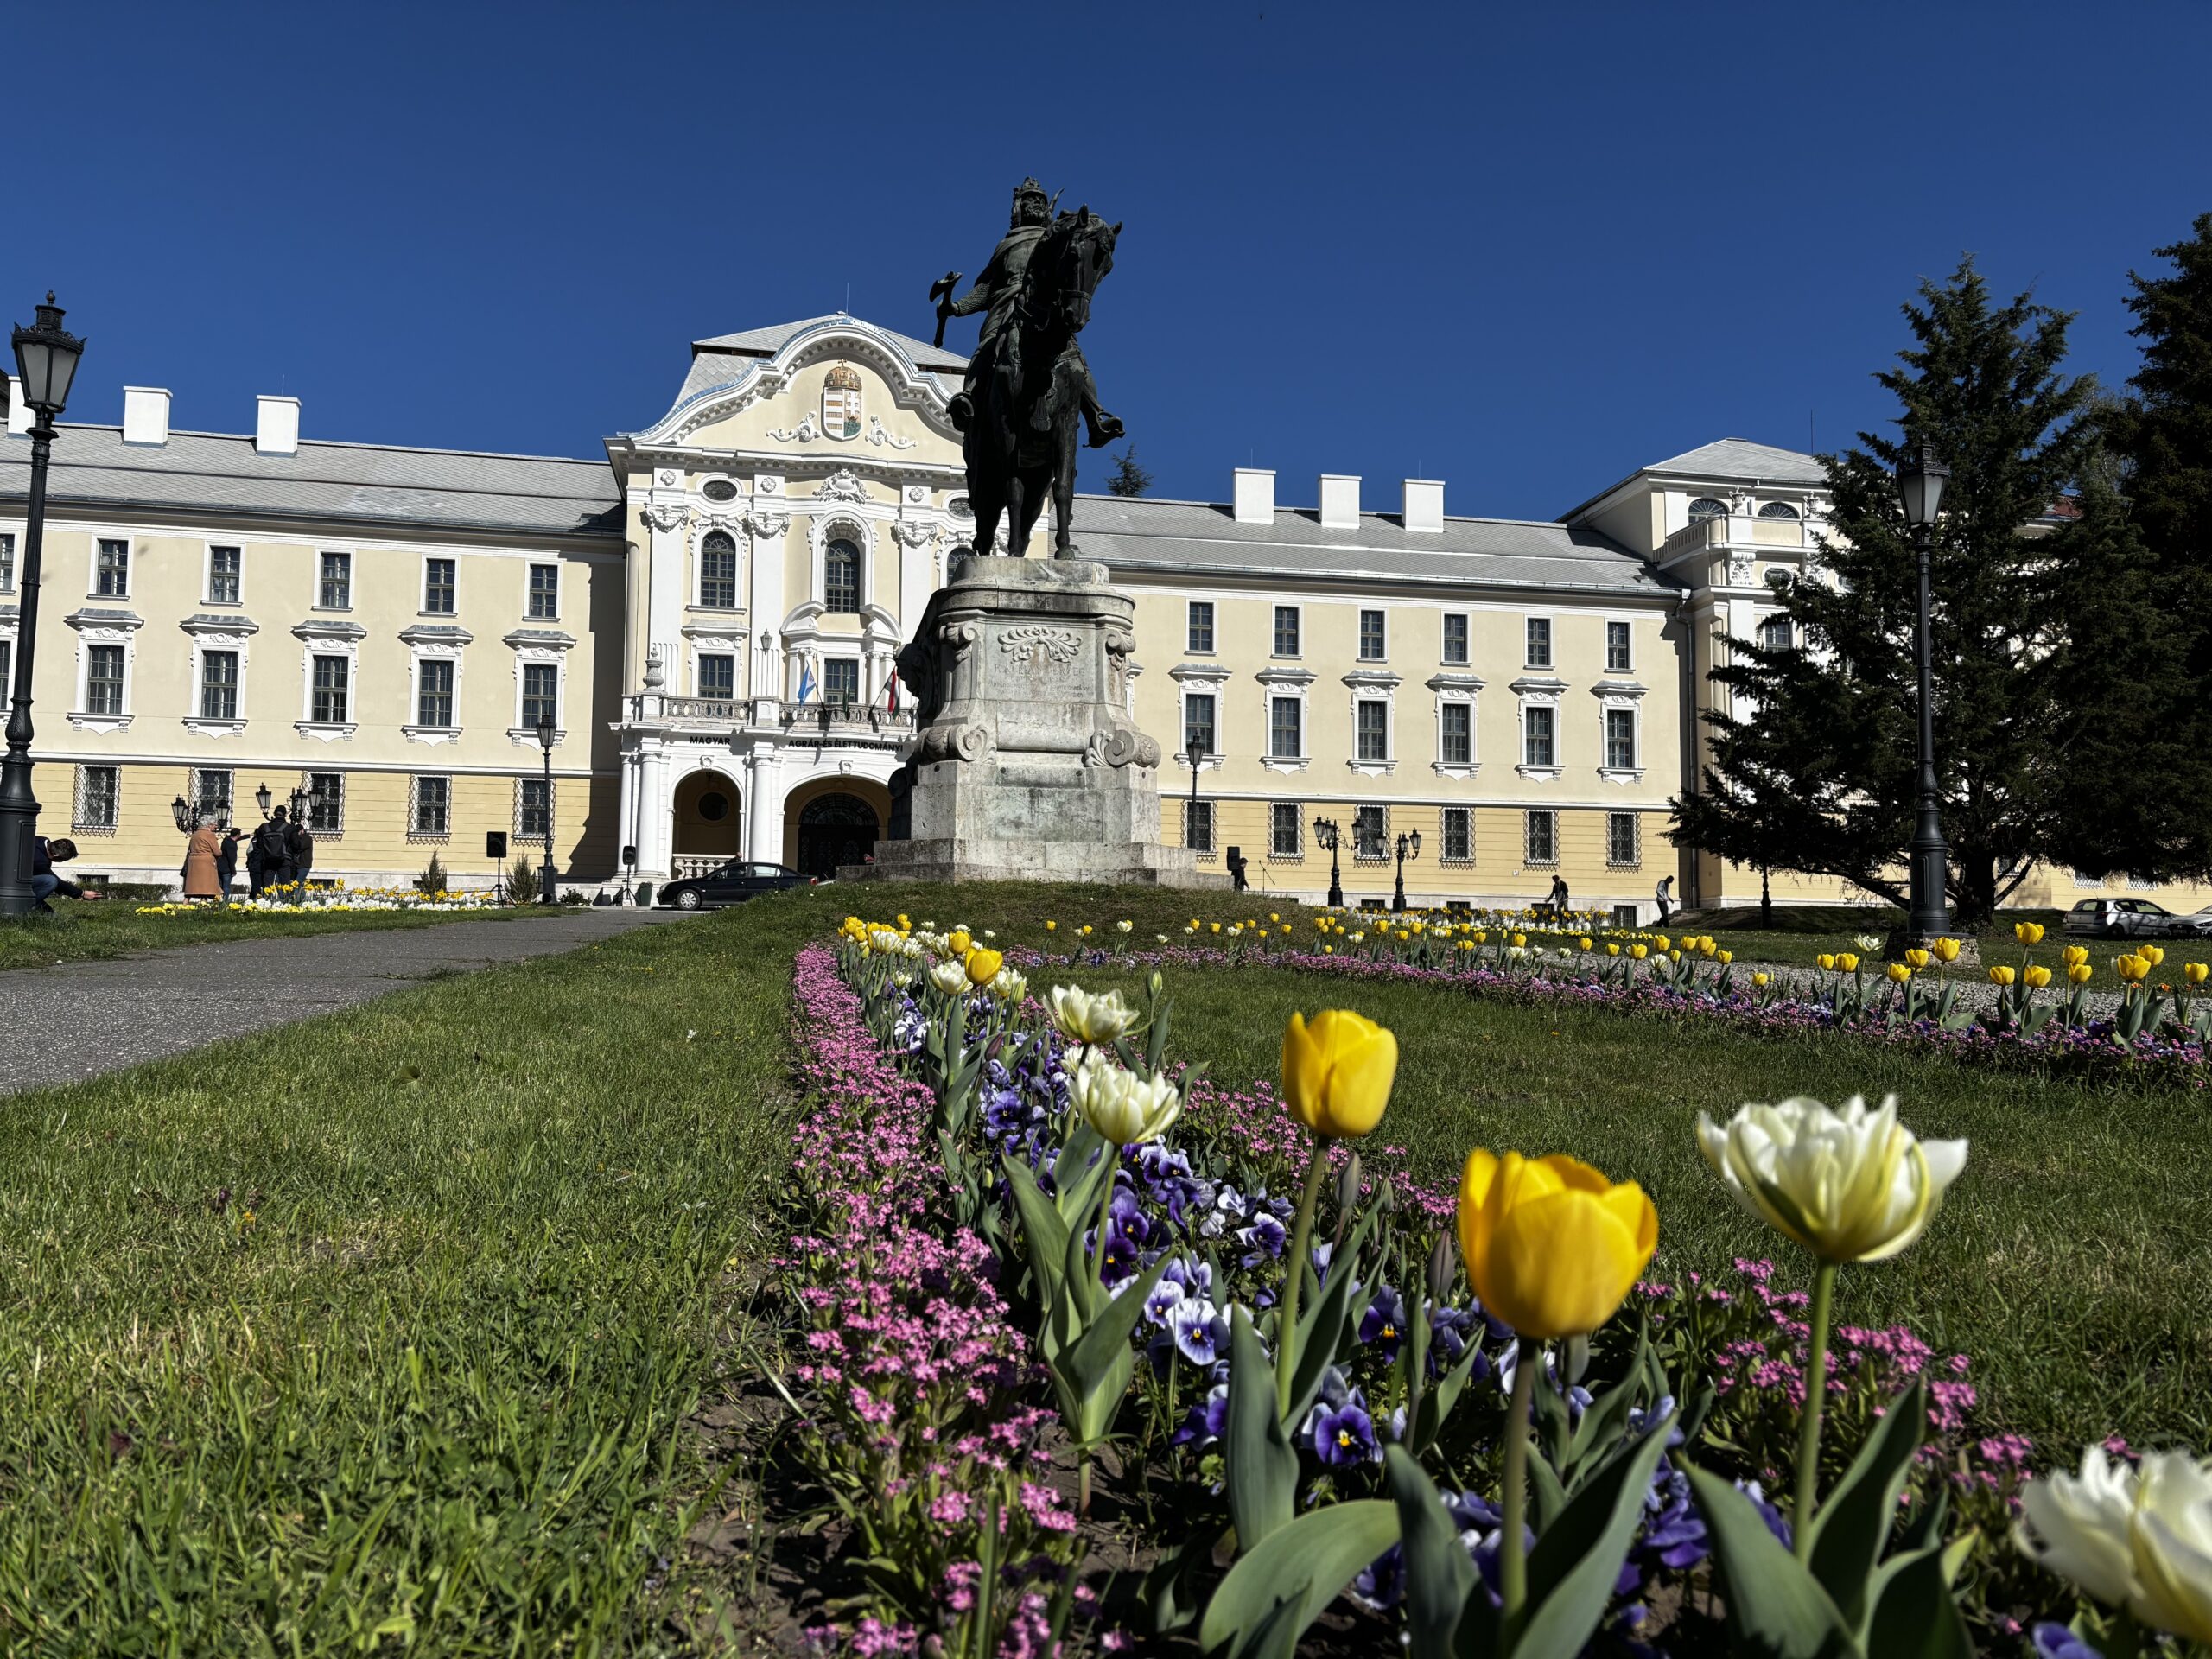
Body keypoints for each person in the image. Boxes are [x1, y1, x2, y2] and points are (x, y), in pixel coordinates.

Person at [30, 836, 102, 912]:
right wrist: (82, 894)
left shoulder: (41, 840)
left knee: (50, 915)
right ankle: (25, 907)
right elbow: (59, 884)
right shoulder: (39, 860)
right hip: (19, 885)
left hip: (25, 881)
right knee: (50, 881)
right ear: (56, 856)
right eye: (63, 860)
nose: (63, 862)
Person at [252, 808, 295, 893]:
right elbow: (296, 845)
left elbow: (258, 844)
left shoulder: (264, 827)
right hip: (284, 859)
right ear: (285, 814)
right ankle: (285, 903)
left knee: (267, 884)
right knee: (285, 885)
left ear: (274, 814)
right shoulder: (290, 828)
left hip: (268, 860)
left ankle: (265, 902)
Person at [181, 815, 223, 901]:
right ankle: (203, 903)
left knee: (193, 886)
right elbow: (217, 852)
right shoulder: (210, 835)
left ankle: (185, 902)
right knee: (206, 886)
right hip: (206, 863)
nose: (215, 827)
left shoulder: (194, 835)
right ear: (209, 825)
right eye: (215, 825)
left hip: (193, 863)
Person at [216, 827, 245, 899]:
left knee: (221, 886)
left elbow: (238, 838)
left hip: (220, 867)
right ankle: (225, 902)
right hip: (227, 869)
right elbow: (231, 859)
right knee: (226, 887)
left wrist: (249, 835)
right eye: (239, 835)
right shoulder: (231, 845)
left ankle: (218, 901)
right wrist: (233, 871)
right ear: (237, 835)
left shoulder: (226, 840)